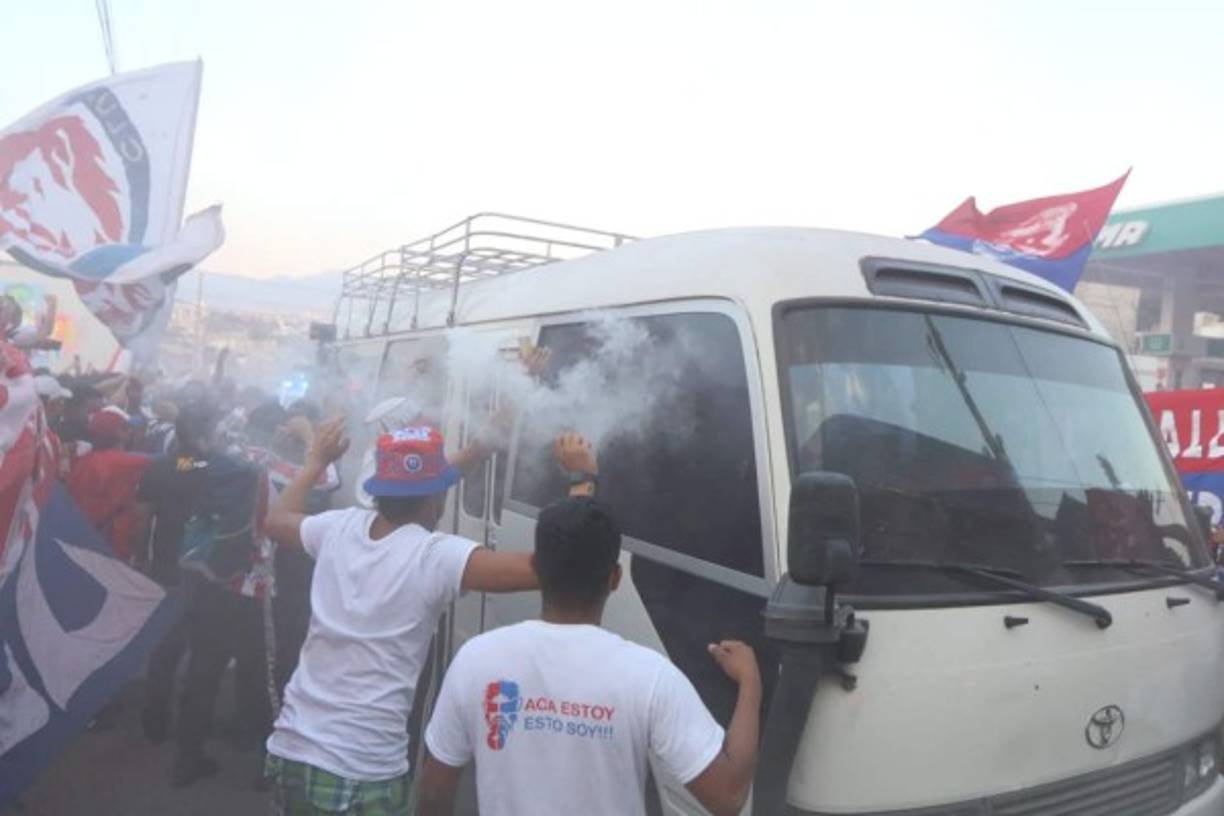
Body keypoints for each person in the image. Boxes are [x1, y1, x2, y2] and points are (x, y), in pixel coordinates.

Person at [419, 435, 762, 816]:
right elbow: (729, 796)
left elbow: (434, 794)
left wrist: (582, 479)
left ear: (537, 569)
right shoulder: (649, 678)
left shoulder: (475, 660)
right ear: (615, 579)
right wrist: (750, 683)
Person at [262, 420, 577, 816]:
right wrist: (582, 481)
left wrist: (317, 460)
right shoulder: (435, 556)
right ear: (435, 499)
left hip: (294, 746)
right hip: (362, 770)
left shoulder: (338, 528)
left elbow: (276, 520)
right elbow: (552, 567)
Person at [166, 400, 273, 786]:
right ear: (204, 433)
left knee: (202, 671)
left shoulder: (185, 465)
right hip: (243, 587)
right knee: (260, 673)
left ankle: (187, 756)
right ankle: (266, 759)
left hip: (204, 579)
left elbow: (187, 467)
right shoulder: (238, 466)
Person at [65, 406, 149, 562]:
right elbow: (172, 462)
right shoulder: (132, 463)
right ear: (116, 433)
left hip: (81, 540)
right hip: (114, 544)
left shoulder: (81, 463)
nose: (130, 432)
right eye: (125, 428)